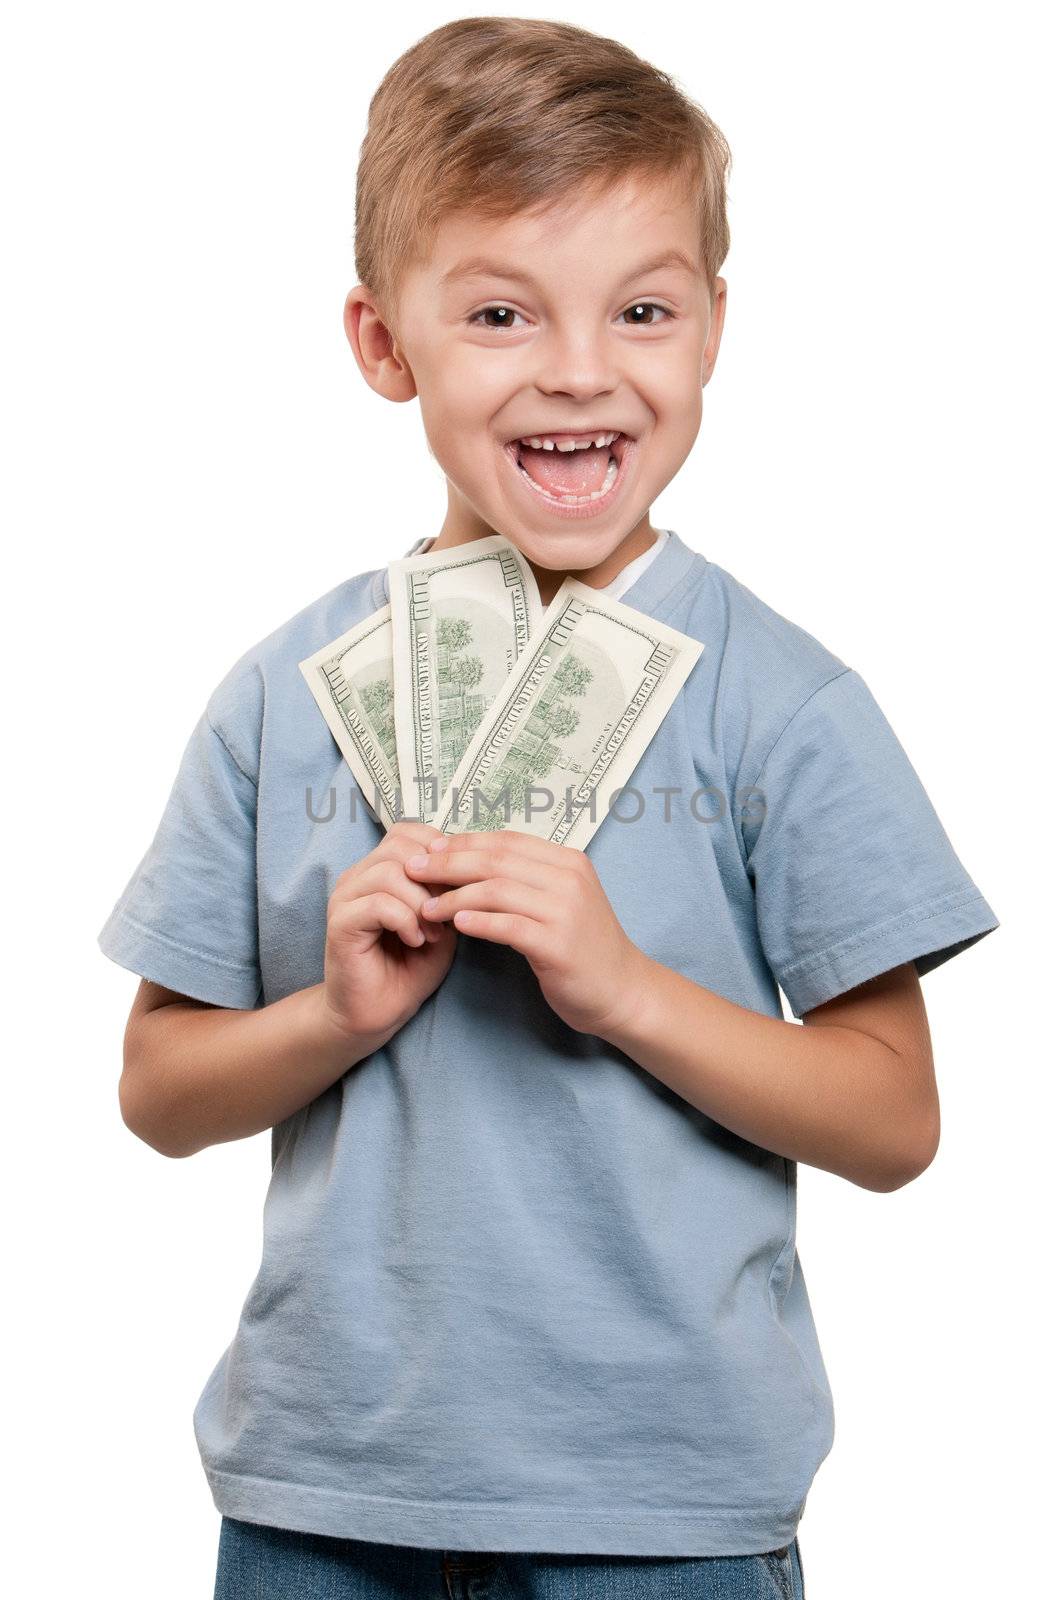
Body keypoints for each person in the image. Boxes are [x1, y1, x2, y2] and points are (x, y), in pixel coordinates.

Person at [98, 17, 1000, 1600]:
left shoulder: (781, 702)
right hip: (322, 1499)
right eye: (503, 312)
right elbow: (160, 1090)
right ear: (386, 346)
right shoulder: (284, 690)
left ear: (714, 326)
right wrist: (332, 1016)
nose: (581, 369)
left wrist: (627, 993)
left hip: (664, 1521)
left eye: (642, 308)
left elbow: (894, 1120)